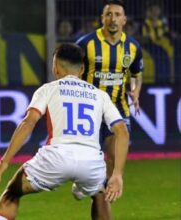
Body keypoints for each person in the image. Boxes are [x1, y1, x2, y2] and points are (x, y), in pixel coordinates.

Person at [0, 43, 129, 220]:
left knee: (12, 191)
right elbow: (122, 131)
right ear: (82, 69)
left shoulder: (48, 89)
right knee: (101, 194)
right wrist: (117, 175)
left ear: (55, 68)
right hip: (91, 161)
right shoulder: (100, 95)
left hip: (56, 159)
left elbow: (28, 123)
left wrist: (4, 161)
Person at [76, 0, 143, 219]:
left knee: (113, 162)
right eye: (108, 14)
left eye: (117, 14)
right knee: (89, 163)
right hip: (90, 113)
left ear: (124, 20)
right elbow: (71, 73)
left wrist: (135, 91)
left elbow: (136, 74)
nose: (112, 18)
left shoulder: (132, 47)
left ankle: (103, 192)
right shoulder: (85, 44)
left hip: (118, 111)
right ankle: (85, 182)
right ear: (102, 18)